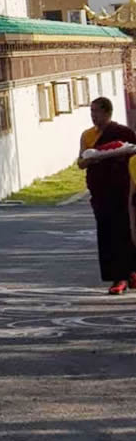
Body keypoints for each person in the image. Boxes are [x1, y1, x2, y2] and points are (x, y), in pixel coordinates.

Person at [78, 96, 136, 294]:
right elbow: (81, 162)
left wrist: (117, 153)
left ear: (107, 112)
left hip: (122, 190)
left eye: (96, 111)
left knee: (127, 232)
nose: (93, 116)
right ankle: (116, 277)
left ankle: (130, 272)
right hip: (101, 192)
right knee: (107, 234)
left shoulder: (124, 133)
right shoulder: (87, 136)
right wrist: (94, 158)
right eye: (91, 111)